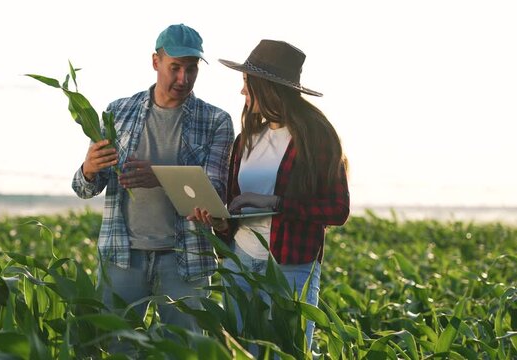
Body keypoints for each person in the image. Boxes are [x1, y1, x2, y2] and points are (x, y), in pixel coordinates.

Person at [71, 23, 234, 339]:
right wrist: (89, 169)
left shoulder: (216, 121)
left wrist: (159, 175)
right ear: (155, 62)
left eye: (191, 69)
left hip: (185, 258)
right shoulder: (118, 112)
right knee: (113, 346)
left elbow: (215, 193)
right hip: (122, 256)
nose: (183, 79)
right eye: (175, 68)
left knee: (186, 349)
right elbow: (84, 188)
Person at [187, 39, 350, 351]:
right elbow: (236, 210)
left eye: (247, 83)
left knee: (288, 352)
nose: (242, 92)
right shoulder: (246, 138)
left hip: (290, 265)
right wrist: (218, 221)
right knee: (240, 352)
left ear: (266, 87)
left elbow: (337, 210)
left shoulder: (317, 137)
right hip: (240, 261)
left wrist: (276, 204)